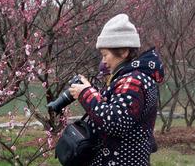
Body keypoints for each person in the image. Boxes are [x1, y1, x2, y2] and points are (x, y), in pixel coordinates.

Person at [69, 14, 164, 166]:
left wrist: (86, 94)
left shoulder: (133, 81)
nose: (103, 61)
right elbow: (119, 108)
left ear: (124, 52)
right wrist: (93, 92)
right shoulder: (133, 77)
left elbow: (115, 122)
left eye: (105, 55)